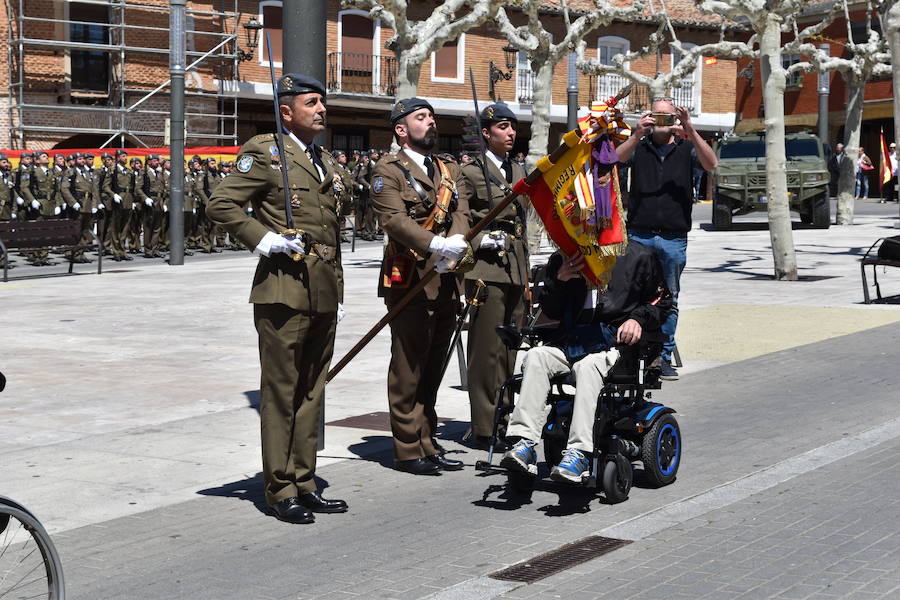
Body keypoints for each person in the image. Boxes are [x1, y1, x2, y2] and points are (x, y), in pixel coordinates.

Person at [207, 73, 347, 525]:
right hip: (283, 290)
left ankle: (305, 481)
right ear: (286, 111)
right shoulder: (266, 152)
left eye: (322, 102)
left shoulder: (322, 159)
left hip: (322, 288)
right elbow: (220, 204)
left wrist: (337, 291)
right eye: (312, 103)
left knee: (311, 392)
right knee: (281, 392)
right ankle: (280, 487)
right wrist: (263, 239)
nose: (321, 109)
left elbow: (331, 232)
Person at [501, 244, 669, 483]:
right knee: (536, 357)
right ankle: (524, 443)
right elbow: (550, 309)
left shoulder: (640, 256)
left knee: (587, 367)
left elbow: (661, 303)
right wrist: (559, 280)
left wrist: (637, 319)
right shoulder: (565, 256)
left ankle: (578, 453)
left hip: (614, 343)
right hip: (571, 340)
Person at [370, 97, 471, 476]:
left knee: (433, 364)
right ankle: (408, 448)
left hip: (446, 276)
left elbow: (461, 211)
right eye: (421, 117)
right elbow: (394, 220)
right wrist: (435, 244)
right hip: (411, 277)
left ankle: (428, 438)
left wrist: (456, 244)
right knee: (409, 365)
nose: (431, 122)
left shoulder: (449, 168)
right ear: (401, 128)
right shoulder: (388, 169)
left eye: (431, 116)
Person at [615, 98, 717, 381]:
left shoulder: (686, 148)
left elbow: (712, 164)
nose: (661, 121)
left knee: (669, 297)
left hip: (673, 236)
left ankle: (662, 356)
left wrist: (691, 130)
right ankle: (632, 352)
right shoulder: (641, 146)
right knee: (632, 295)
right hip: (639, 234)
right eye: (656, 116)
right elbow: (616, 159)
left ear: (675, 119)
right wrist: (636, 134)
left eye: (666, 116)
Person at [457, 102, 529, 451]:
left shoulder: (519, 171)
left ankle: (505, 418)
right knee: (486, 351)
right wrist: (483, 238)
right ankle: (484, 426)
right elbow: (460, 222)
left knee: (510, 351)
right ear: (486, 134)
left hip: (516, 268)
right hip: (486, 270)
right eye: (502, 127)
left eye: (513, 127)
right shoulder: (469, 172)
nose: (510, 133)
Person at [102, 149, 136, 261]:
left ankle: (122, 251)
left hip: (128, 200)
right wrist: (113, 195)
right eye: (123, 156)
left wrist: (134, 200)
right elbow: (105, 187)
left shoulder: (129, 171)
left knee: (125, 227)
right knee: (116, 228)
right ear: (117, 158)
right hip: (118, 201)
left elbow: (133, 187)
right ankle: (116, 251)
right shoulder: (112, 170)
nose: (125, 158)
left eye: (126, 156)